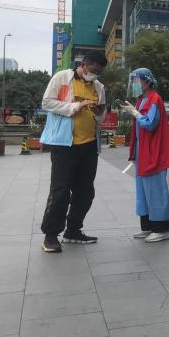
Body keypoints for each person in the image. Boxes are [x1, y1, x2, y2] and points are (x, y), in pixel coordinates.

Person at [39, 51, 108, 253]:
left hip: (89, 145)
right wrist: (77, 105)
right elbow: (47, 103)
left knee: (85, 191)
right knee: (60, 190)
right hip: (64, 144)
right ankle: (50, 236)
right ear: (84, 64)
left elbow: (101, 117)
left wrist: (98, 112)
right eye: (93, 71)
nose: (95, 75)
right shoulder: (62, 78)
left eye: (99, 72)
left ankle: (73, 230)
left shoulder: (99, 87)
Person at [120, 68, 169, 242]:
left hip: (153, 151)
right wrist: (134, 111)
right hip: (142, 151)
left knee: (155, 190)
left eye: (136, 81)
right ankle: (147, 227)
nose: (134, 85)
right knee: (143, 191)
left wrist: (135, 113)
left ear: (146, 81)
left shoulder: (154, 98)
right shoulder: (142, 100)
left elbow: (150, 123)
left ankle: (161, 229)